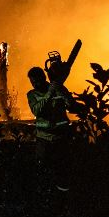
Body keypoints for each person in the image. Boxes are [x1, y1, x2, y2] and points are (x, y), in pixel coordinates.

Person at [27, 65, 77, 193]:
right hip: (43, 140)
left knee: (62, 171)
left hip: (60, 138)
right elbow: (37, 110)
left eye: (37, 81)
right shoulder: (32, 95)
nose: (35, 84)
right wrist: (49, 93)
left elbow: (71, 106)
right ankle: (44, 197)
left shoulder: (58, 89)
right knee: (42, 170)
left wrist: (60, 90)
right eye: (32, 82)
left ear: (44, 78)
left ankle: (62, 198)